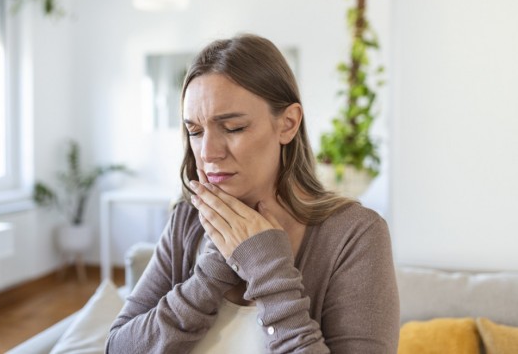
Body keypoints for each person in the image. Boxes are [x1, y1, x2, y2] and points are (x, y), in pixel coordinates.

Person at [106, 34, 399, 353]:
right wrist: (208, 278)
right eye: (195, 131)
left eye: (233, 128)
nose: (208, 152)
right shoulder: (187, 221)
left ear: (288, 124)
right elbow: (117, 348)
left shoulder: (355, 235)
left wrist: (269, 271)